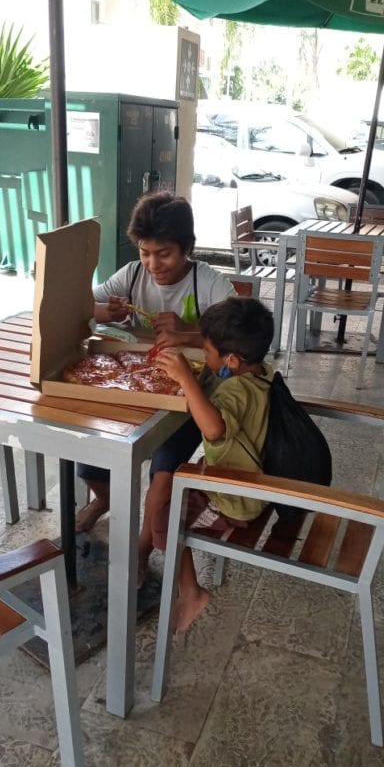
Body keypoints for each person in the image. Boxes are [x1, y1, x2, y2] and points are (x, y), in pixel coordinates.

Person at [75, 192, 235, 567]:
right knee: (88, 457)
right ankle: (105, 498)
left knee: (162, 476)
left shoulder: (208, 282)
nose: (153, 264)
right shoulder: (131, 275)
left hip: (188, 398)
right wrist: (104, 311)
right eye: (146, 252)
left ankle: (142, 552)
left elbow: (242, 340)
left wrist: (190, 331)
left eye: (164, 253)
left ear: (188, 249)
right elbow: (80, 305)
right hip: (134, 387)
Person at [151, 296, 275, 633]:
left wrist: (186, 381)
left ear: (232, 359)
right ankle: (188, 587)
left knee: (162, 517)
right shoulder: (263, 372)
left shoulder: (234, 391)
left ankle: (191, 592)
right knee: (174, 485)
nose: (204, 357)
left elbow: (215, 428)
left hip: (235, 500)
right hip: (247, 475)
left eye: (207, 351)